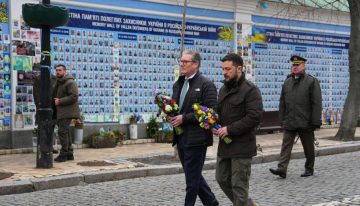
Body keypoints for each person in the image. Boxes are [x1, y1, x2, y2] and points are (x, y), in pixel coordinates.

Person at [168, 50, 218, 206]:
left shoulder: (206, 84)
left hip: (197, 139)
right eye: (180, 61)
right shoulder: (179, 83)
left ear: (195, 64)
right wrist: (170, 114)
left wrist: (185, 118)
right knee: (193, 174)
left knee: (191, 179)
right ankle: (211, 202)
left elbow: (211, 112)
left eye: (185, 62)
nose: (181, 64)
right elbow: (177, 107)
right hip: (181, 136)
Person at [212, 53, 263, 206]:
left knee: (239, 185)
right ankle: (247, 204)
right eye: (222, 69)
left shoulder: (250, 90)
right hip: (225, 145)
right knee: (221, 178)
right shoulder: (223, 89)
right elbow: (218, 112)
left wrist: (229, 129)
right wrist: (214, 124)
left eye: (228, 69)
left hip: (242, 145)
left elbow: (254, 117)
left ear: (239, 68)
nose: (224, 72)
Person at [269, 55, 322, 178]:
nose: (295, 67)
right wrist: (281, 119)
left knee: (308, 147)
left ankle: (309, 168)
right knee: (286, 146)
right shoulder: (287, 81)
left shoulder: (311, 81)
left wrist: (315, 121)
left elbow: (316, 102)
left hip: (305, 121)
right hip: (290, 121)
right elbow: (282, 102)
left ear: (304, 66)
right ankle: (282, 169)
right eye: (293, 65)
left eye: (297, 65)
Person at [52, 64, 80, 162]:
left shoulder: (70, 82)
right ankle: (69, 153)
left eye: (60, 70)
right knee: (66, 132)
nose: (57, 72)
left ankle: (64, 154)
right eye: (56, 70)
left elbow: (74, 96)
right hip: (62, 111)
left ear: (65, 71)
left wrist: (60, 101)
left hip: (67, 111)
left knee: (62, 132)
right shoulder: (60, 82)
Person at [33, 73, 58, 153]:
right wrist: (38, 105)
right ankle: (42, 146)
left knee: (51, 128)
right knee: (42, 127)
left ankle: (50, 146)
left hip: (52, 107)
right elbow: (36, 94)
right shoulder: (38, 78)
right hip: (42, 107)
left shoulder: (55, 78)